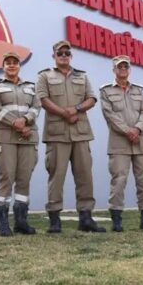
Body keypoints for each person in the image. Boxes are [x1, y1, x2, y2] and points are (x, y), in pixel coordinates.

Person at [36, 40, 105, 234]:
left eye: (67, 53)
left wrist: (75, 109)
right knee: (56, 176)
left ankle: (86, 218)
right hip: (57, 134)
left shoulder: (82, 76)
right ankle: (55, 220)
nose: (64, 56)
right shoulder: (44, 76)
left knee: (85, 176)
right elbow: (43, 99)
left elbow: (91, 99)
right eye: (60, 53)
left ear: (71, 56)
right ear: (54, 56)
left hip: (81, 133)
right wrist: (64, 113)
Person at [100, 55, 143, 232]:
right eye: (119, 67)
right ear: (114, 70)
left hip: (140, 142)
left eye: (126, 67)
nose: (123, 69)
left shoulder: (138, 90)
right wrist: (127, 130)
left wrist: (137, 129)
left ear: (129, 70)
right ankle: (116, 219)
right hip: (119, 143)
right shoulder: (106, 91)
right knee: (119, 181)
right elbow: (110, 115)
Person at [0, 51, 41, 236]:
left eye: (15, 62)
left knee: (24, 178)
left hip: (28, 137)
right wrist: (16, 123)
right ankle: (2, 223)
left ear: (19, 66)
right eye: (8, 62)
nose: (11, 65)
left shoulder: (31, 87)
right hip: (6, 138)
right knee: (6, 178)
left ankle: (21, 222)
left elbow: (36, 107)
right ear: (3, 66)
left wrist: (25, 120)